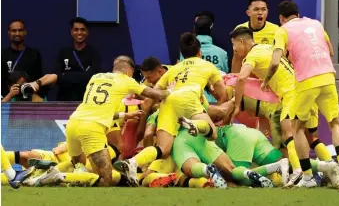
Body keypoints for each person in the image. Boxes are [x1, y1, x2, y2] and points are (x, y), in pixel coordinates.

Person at [113, 33, 228, 186]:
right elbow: (223, 92)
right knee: (212, 133)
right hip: (188, 98)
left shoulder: (174, 69)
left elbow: (156, 93)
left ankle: (134, 162)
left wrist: (147, 104)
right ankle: (194, 124)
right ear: (199, 52)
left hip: (168, 101)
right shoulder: (207, 65)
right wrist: (218, 104)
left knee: (164, 149)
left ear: (182, 53)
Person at [265, 0, 339, 187]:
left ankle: (308, 177)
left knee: (297, 128)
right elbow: (331, 51)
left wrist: (265, 80)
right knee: (335, 123)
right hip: (328, 77)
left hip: (307, 81)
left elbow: (275, 62)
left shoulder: (282, 30)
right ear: (297, 13)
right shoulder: (316, 24)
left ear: (281, 18)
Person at [58, 57, 170, 187]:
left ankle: (58, 176)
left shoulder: (96, 77)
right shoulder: (127, 80)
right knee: (107, 178)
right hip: (91, 127)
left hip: (73, 122)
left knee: (79, 166)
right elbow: (156, 95)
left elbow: (99, 107)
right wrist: (172, 90)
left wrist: (125, 115)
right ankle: (59, 177)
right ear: (128, 72)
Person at [229, 27, 302, 186]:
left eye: (234, 45)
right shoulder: (268, 47)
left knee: (287, 134)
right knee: (304, 135)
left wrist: (236, 105)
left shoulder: (252, 56)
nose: (234, 50)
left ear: (241, 41)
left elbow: (241, 78)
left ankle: (298, 172)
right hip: (302, 89)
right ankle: (312, 171)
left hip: (290, 94)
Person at [181, 16, 229, 103]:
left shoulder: (184, 52)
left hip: (193, 101)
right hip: (217, 101)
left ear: (195, 28)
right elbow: (225, 75)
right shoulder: (222, 53)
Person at [55, 17, 101, 101]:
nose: (79, 32)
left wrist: (67, 76)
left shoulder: (94, 53)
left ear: (87, 32)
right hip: (65, 98)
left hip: (87, 99)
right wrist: (82, 75)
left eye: (83, 30)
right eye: (76, 29)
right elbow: (57, 76)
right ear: (71, 32)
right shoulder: (63, 52)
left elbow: (93, 76)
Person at [231, 0, 279, 73]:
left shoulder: (276, 30)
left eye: (263, 9)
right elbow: (237, 57)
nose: (260, 13)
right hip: (247, 74)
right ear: (248, 12)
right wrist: (234, 78)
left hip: (266, 75)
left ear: (267, 12)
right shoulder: (239, 30)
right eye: (256, 9)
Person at [1, 19, 43, 98]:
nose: (17, 33)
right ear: (9, 32)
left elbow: (38, 79)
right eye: (14, 30)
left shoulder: (34, 54)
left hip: (28, 99)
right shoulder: (2, 54)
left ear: (25, 32)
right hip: (6, 100)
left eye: (20, 30)